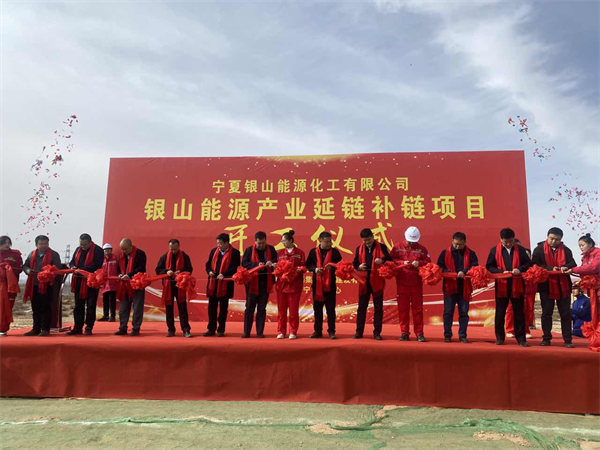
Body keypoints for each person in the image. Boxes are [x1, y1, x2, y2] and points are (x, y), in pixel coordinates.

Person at [485, 228, 531, 347]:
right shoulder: (494, 250)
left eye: (511, 241)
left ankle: (521, 338)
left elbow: (528, 264)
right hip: (502, 284)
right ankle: (500, 337)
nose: (509, 244)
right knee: (500, 312)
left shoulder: (520, 250)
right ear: (501, 239)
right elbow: (489, 266)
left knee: (519, 312)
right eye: (506, 241)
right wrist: (501, 272)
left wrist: (519, 269)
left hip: (517, 285)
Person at [531, 227, 576, 348]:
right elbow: (534, 264)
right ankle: (546, 338)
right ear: (547, 236)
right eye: (552, 238)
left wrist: (565, 266)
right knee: (546, 313)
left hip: (563, 286)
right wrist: (551, 268)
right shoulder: (539, 249)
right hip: (546, 286)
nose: (554, 241)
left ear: (561, 239)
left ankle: (568, 339)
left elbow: (573, 263)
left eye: (557, 239)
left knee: (565, 314)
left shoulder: (566, 250)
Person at [437, 232, 478, 343]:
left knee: (464, 312)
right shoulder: (445, 253)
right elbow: (439, 266)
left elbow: (474, 266)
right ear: (452, 241)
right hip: (449, 287)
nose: (457, 246)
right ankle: (447, 335)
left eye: (460, 244)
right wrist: (448, 272)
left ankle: (462, 335)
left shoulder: (471, 254)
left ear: (465, 242)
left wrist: (464, 272)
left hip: (464, 287)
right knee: (448, 312)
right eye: (455, 244)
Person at [391, 226, 431, 342]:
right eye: (409, 241)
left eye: (414, 241)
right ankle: (404, 333)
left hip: (416, 283)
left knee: (417, 309)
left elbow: (428, 263)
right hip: (402, 282)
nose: (411, 243)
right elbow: (390, 260)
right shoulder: (397, 247)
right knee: (403, 309)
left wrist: (419, 263)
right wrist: (402, 262)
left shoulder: (422, 249)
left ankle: (419, 333)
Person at [352, 228, 390, 340]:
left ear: (373, 237)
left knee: (378, 308)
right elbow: (355, 263)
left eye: (369, 240)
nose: (367, 242)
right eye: (365, 240)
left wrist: (382, 261)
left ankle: (377, 332)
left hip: (377, 281)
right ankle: (359, 332)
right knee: (362, 307)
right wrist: (359, 266)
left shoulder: (382, 247)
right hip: (364, 282)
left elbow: (389, 260)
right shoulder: (359, 248)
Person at [22, 235, 62, 336]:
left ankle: (45, 329)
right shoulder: (32, 254)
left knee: (45, 307)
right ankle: (36, 328)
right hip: (34, 284)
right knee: (35, 307)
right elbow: (25, 266)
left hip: (47, 285)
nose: (44, 246)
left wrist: (49, 273)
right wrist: (27, 270)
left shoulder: (54, 254)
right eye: (41, 244)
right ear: (36, 244)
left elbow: (58, 268)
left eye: (45, 243)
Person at [306, 231, 343, 339]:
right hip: (317, 285)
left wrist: (333, 267)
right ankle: (317, 331)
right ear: (320, 241)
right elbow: (308, 265)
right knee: (317, 309)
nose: (329, 244)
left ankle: (331, 331)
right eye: (326, 242)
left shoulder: (335, 252)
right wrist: (315, 269)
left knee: (331, 310)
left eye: (330, 241)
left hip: (330, 286)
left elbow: (341, 266)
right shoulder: (313, 252)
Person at [241, 231, 277, 338]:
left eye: (263, 243)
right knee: (249, 308)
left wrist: (271, 262)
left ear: (266, 241)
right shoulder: (249, 250)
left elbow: (276, 259)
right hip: (252, 283)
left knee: (261, 308)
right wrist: (257, 264)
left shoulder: (271, 249)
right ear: (255, 241)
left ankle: (260, 332)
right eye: (259, 243)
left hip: (265, 283)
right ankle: (246, 332)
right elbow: (244, 263)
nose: (261, 245)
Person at [67, 233, 104, 336]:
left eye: (84, 244)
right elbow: (72, 262)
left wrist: (82, 270)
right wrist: (73, 267)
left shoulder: (98, 250)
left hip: (91, 282)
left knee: (91, 305)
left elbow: (97, 265)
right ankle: (77, 327)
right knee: (78, 306)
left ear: (90, 242)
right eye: (81, 244)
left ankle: (89, 327)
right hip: (79, 281)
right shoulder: (78, 250)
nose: (82, 246)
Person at [156, 239, 194, 338]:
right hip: (168, 286)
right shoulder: (164, 257)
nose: (173, 251)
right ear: (169, 247)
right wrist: (166, 271)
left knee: (182, 308)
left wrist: (180, 271)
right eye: (171, 249)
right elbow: (158, 270)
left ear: (179, 247)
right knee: (169, 308)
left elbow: (189, 269)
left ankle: (186, 330)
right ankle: (171, 330)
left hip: (180, 286)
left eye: (175, 249)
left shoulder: (184, 256)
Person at [205, 233, 241, 337]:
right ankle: (211, 329)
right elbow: (208, 264)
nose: (218, 245)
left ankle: (221, 329)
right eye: (217, 243)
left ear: (226, 243)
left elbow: (235, 267)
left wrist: (224, 274)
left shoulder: (235, 253)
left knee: (223, 309)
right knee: (211, 308)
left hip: (225, 285)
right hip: (213, 284)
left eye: (220, 243)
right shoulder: (214, 251)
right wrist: (210, 271)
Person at [275, 230, 306, 340]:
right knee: (281, 311)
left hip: (294, 286)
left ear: (290, 240)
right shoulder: (279, 253)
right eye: (282, 241)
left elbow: (303, 266)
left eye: (284, 241)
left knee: (293, 311)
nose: (283, 243)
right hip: (281, 286)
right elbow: (276, 267)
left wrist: (299, 270)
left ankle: (293, 331)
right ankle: (281, 331)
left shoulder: (300, 253)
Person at [114, 238, 147, 336]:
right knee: (123, 307)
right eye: (122, 249)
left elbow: (141, 268)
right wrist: (119, 274)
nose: (124, 251)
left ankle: (136, 328)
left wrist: (129, 275)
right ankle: (122, 327)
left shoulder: (140, 254)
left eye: (125, 249)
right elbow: (118, 269)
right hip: (124, 285)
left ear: (130, 246)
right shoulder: (121, 256)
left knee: (137, 307)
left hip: (137, 284)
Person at [567, 233, 600, 325]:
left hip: (598, 286)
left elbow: (593, 268)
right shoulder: (584, 258)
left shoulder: (598, 253)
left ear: (590, 244)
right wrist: (570, 270)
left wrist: (573, 269)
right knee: (596, 311)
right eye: (579, 246)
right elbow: (583, 271)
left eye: (582, 245)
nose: (581, 248)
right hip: (593, 288)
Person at [505, 241, 536, 338]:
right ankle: (510, 329)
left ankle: (525, 330)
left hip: (527, 287)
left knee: (526, 309)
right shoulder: (507, 257)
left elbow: (530, 266)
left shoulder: (525, 254)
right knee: (511, 308)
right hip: (512, 285)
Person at [0, 236, 22, 336]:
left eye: (8, 243)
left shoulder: (15, 254)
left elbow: (20, 268)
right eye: (4, 243)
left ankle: (3, 328)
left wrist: (9, 269)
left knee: (7, 306)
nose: (7, 245)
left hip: (11, 285)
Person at [98, 243, 118, 322]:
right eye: (105, 250)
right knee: (105, 300)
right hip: (104, 283)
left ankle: (112, 316)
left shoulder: (115, 258)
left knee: (112, 300)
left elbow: (119, 269)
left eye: (108, 249)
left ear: (111, 250)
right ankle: (105, 315)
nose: (107, 251)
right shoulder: (101, 260)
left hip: (113, 283)